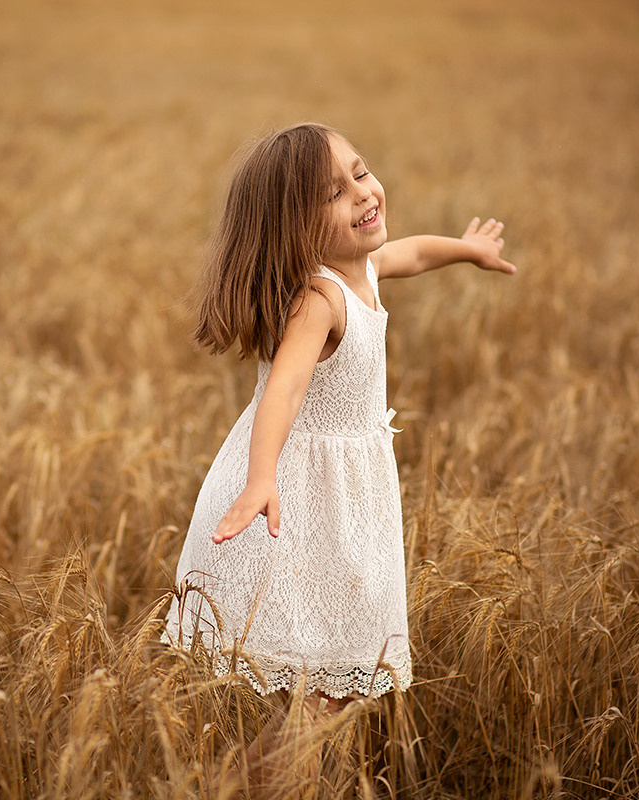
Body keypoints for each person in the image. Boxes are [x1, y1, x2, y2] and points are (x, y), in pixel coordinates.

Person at [163, 122, 515, 785]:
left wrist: (468, 250)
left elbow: (413, 253)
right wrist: (261, 477)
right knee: (322, 695)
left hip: (348, 497)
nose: (362, 193)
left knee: (331, 687)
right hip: (301, 499)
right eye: (333, 193)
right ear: (293, 228)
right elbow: (285, 389)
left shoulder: (366, 269)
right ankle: (236, 790)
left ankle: (242, 787)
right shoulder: (320, 299)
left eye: (361, 172)